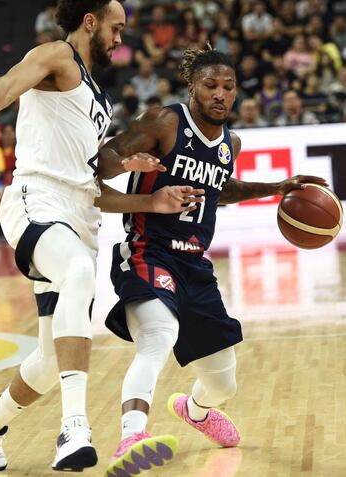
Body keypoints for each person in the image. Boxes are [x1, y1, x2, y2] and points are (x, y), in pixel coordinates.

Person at [0, 0, 201, 473]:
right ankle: (73, 427)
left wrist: (150, 198)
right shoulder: (57, 56)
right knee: (78, 272)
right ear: (90, 21)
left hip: (79, 217)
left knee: (51, 359)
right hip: (38, 202)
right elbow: (7, 84)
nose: (121, 39)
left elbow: (95, 187)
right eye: (116, 28)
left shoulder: (98, 98)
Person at [98, 45, 326, 476]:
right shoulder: (164, 122)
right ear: (192, 88)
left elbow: (224, 188)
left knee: (224, 381)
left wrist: (278, 186)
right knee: (158, 335)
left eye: (228, 87)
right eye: (211, 86)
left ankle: (195, 410)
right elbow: (104, 163)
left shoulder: (229, 143)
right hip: (149, 250)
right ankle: (131, 438)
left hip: (195, 266)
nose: (220, 95)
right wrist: (131, 159)